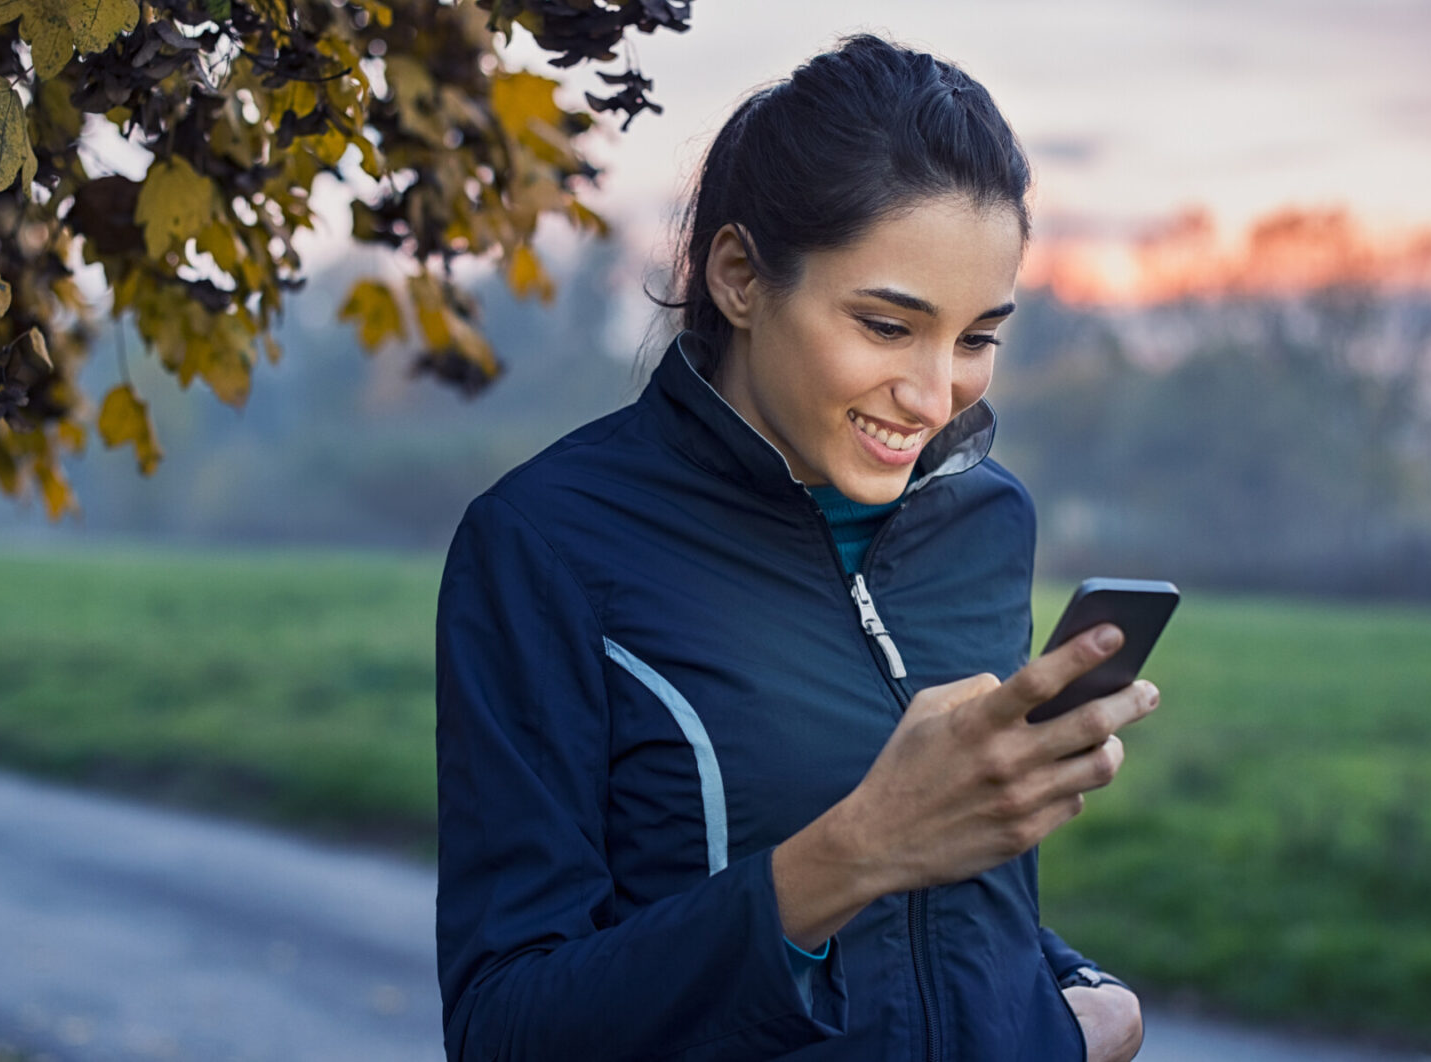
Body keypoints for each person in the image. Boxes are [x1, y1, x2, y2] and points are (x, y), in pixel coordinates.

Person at [435, 34, 1153, 1061]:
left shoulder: (988, 523)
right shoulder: (544, 545)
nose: (934, 392)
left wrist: (1079, 1003)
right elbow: (506, 1026)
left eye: (977, 336)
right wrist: (851, 854)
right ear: (737, 276)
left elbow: (949, 917)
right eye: (884, 324)